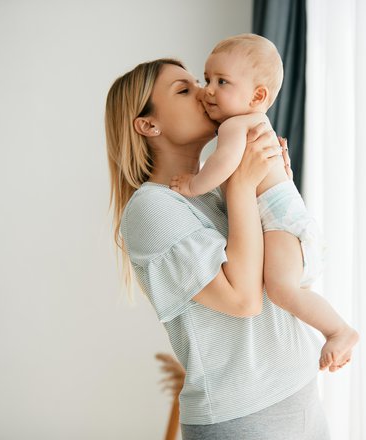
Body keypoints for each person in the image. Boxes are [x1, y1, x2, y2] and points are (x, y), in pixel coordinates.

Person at [105, 58, 330, 439]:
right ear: (148, 125)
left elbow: (289, 275)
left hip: (301, 390)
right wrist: (244, 186)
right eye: (185, 89)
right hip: (242, 415)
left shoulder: (218, 185)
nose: (206, 91)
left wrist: (275, 189)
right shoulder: (151, 208)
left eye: (201, 81)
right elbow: (244, 300)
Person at [170, 34, 358, 372]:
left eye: (222, 82)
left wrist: (193, 184)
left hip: (282, 224)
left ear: (258, 95)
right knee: (285, 296)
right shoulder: (253, 123)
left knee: (283, 292)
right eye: (207, 78)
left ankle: (339, 330)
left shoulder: (236, 125)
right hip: (287, 223)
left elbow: (224, 164)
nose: (208, 89)